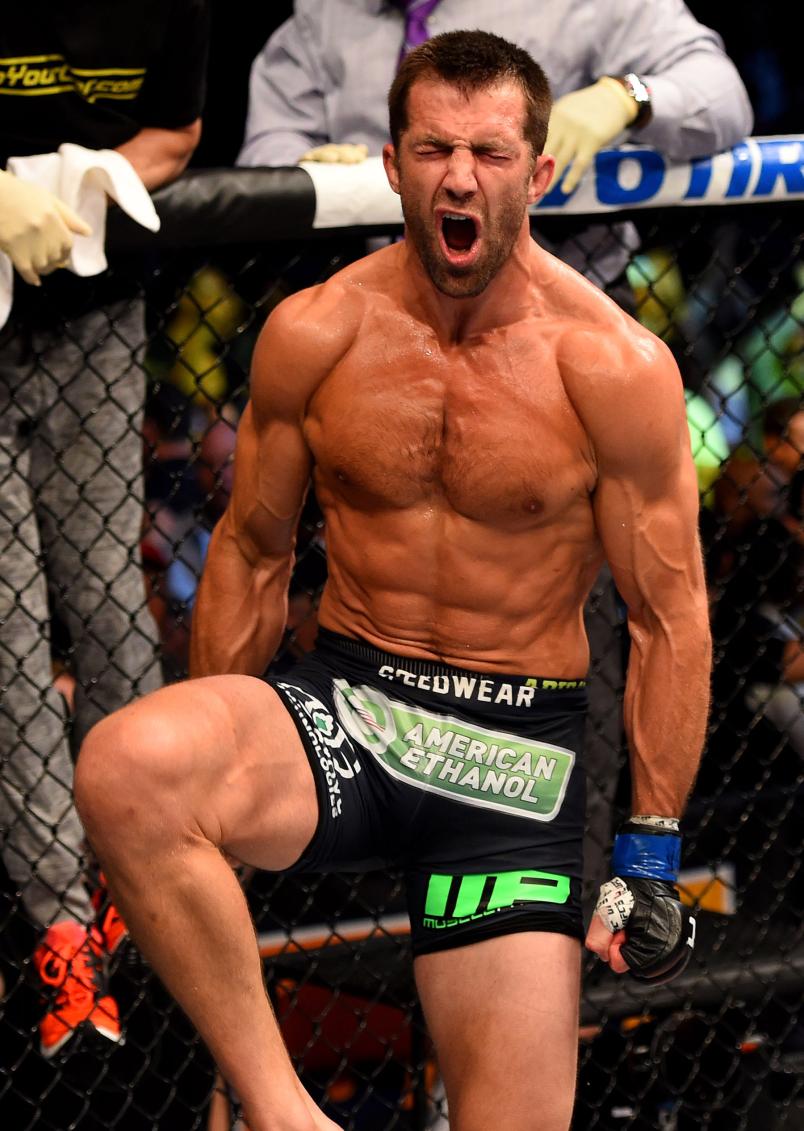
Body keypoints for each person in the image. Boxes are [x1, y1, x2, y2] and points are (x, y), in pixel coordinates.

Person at [76, 31, 710, 1131]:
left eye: (490, 153)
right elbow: (253, 551)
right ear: (390, 161)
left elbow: (668, 616)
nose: (459, 176)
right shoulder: (318, 333)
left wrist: (650, 854)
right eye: (433, 149)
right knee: (132, 763)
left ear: (540, 171)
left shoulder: (611, 367)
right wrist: (216, 748)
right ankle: (287, 1115)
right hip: (350, 714)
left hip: (508, 769)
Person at [0, 2, 209, 1059]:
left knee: (111, 603)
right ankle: (61, 930)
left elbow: (174, 135)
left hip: (92, 306)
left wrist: (73, 193)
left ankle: (137, 865)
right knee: (7, 628)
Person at [237, 0, 752, 289]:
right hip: (373, 296)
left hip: (566, 292)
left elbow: (722, 91)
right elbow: (267, 145)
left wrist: (627, 95)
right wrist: (303, 169)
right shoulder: (325, 13)